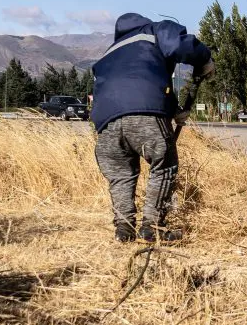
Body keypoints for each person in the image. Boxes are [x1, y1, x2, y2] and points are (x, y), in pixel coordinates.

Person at [91, 13, 214, 243]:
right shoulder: (155, 30)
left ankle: (124, 229)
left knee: (121, 176)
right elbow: (179, 45)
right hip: (146, 114)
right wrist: (204, 58)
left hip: (106, 120)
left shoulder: (112, 50)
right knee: (164, 166)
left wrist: (173, 110)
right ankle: (152, 227)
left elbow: (132, 84)